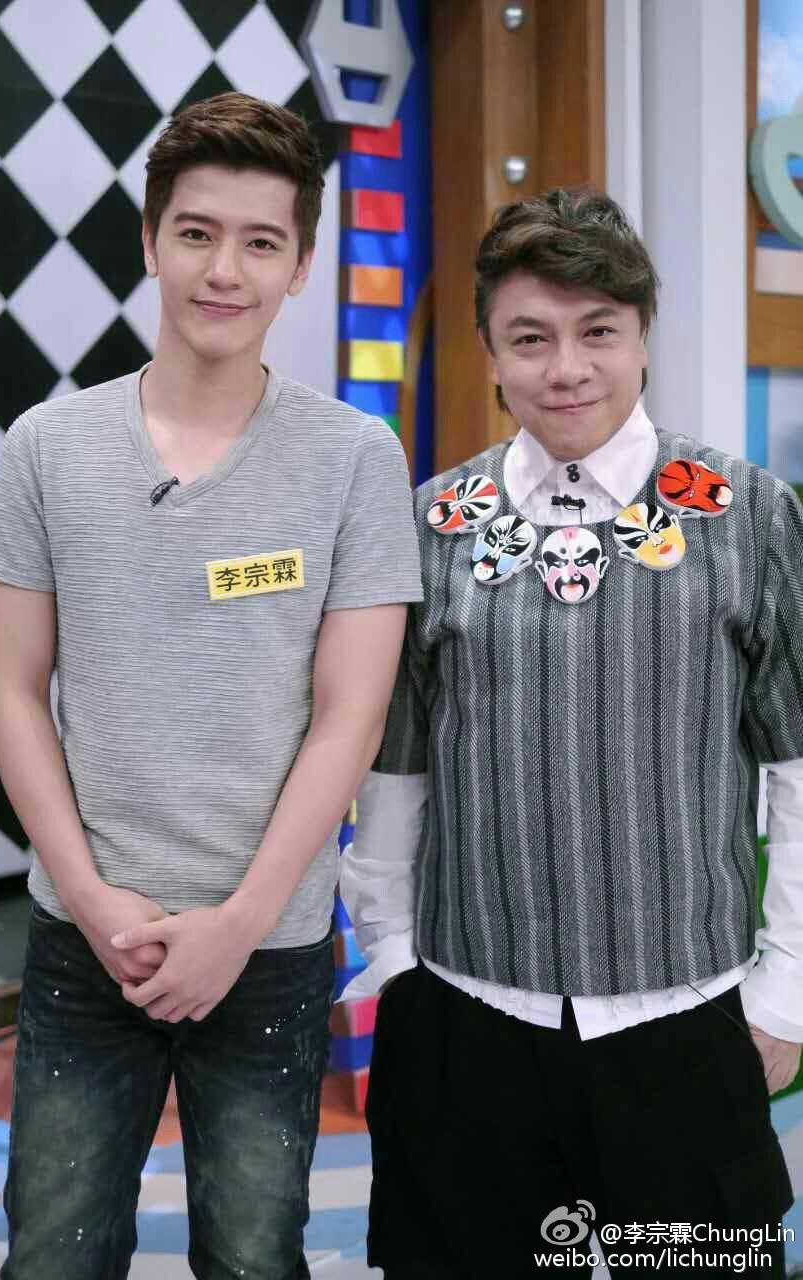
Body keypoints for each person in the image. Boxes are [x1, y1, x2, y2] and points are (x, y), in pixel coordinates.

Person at [0, 91, 422, 1280]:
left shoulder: (354, 458)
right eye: (198, 233)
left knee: (255, 1253)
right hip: (82, 936)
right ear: (151, 240)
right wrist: (90, 897)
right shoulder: (48, 446)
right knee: (52, 1253)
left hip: (269, 944)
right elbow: (13, 691)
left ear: (300, 265)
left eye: (261, 242)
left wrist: (241, 922)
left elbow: (352, 714)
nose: (225, 270)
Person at [341, 188, 803, 1278]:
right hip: (465, 1013)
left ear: (642, 337)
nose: (566, 369)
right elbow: (396, 767)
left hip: (687, 1015)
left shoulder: (748, 515)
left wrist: (785, 993)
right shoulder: (432, 524)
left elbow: (797, 767)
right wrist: (395, 958)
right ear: (490, 353)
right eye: (530, 338)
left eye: (597, 331)